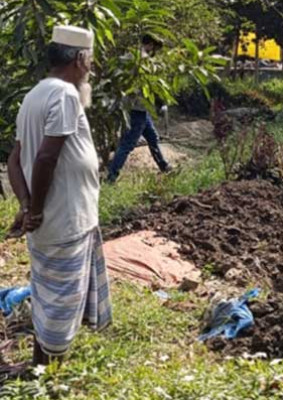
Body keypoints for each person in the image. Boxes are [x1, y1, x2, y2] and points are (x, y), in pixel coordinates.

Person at [7, 25, 112, 366]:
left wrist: (25, 206)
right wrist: (35, 210)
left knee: (46, 294)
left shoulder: (34, 94)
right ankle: (47, 372)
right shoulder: (65, 94)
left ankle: (43, 364)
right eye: (90, 60)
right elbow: (46, 157)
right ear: (80, 59)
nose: (91, 67)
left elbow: (14, 157)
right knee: (61, 303)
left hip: (53, 219)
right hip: (63, 218)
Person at [106, 34, 171, 183]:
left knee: (152, 138)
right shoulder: (143, 60)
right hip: (138, 107)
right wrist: (160, 102)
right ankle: (111, 177)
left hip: (135, 106)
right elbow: (150, 85)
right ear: (150, 45)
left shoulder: (129, 55)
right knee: (127, 144)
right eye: (154, 47)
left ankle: (164, 166)